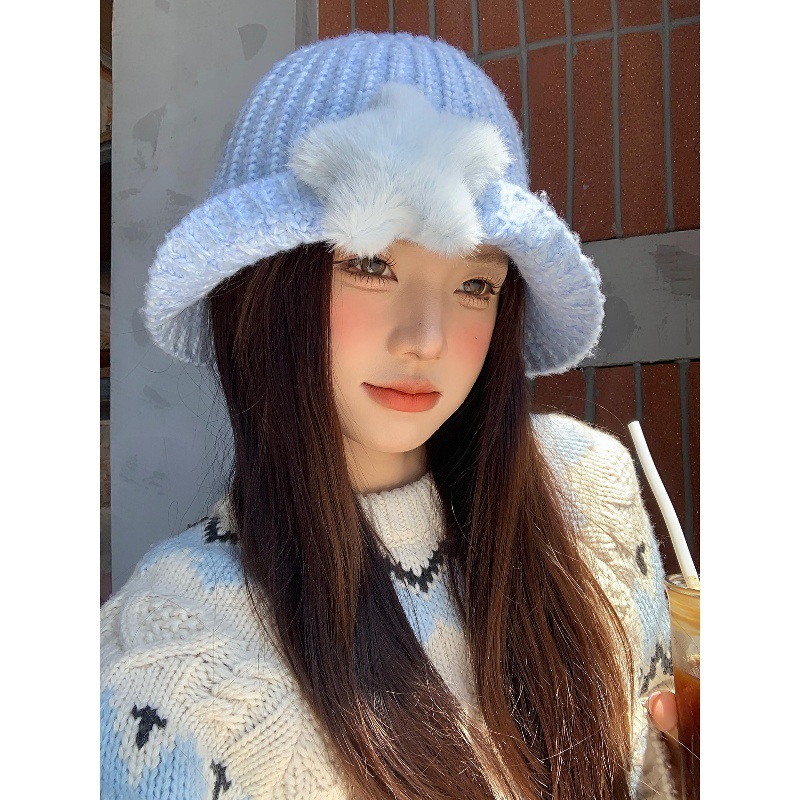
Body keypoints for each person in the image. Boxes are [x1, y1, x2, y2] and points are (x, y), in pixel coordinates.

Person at [101, 30, 682, 800]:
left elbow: (652, 776)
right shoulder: (170, 667)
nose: (427, 339)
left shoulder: (591, 495)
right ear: (258, 290)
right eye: (372, 263)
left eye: (475, 284)